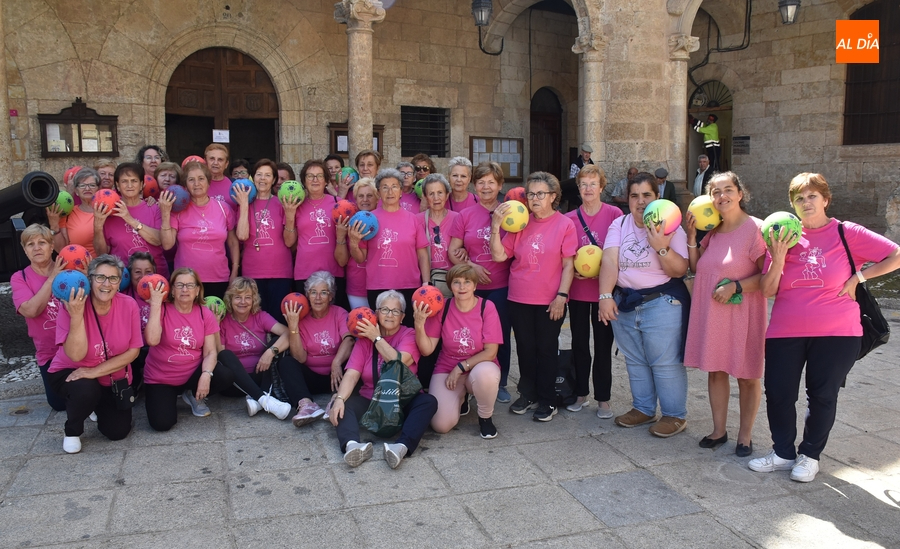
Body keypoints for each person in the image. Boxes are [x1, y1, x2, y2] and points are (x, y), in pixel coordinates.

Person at [749, 173, 900, 482]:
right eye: (799, 198)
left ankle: (810, 455)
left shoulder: (847, 233)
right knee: (778, 392)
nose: (806, 202)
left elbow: (896, 254)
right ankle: (782, 452)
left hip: (837, 331)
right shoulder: (782, 235)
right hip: (785, 330)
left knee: (822, 394)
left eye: (812, 196)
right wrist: (777, 257)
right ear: (792, 204)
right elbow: (767, 290)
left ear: (825, 199)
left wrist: (860, 277)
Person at [598, 172, 691, 438]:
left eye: (646, 195)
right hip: (626, 302)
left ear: (657, 197)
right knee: (635, 361)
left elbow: (679, 270)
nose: (640, 202)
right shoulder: (620, 224)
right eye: (634, 196)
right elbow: (610, 261)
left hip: (662, 302)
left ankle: (674, 415)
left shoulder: (672, 226)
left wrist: (662, 247)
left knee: (665, 362)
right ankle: (643, 408)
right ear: (627, 199)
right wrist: (605, 296)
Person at [684, 172, 766, 457]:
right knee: (716, 371)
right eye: (716, 192)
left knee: (746, 375)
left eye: (728, 190)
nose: (722, 197)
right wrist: (692, 236)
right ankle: (719, 431)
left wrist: (736, 285)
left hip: (742, 313)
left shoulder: (756, 229)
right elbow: (698, 267)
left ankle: (745, 436)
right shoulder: (714, 230)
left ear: (740, 193)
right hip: (712, 314)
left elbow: (768, 278)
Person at [142, 268, 284, 430]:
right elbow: (152, 340)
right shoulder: (162, 309)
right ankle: (172, 398)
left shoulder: (204, 313)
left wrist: (206, 374)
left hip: (192, 373)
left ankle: (195, 395)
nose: (185, 289)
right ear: (172, 289)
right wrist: (155, 305)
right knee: (162, 424)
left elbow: (211, 352)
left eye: (190, 285)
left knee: (223, 374)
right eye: (179, 285)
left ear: (197, 290)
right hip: (161, 379)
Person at [490, 171, 577, 422]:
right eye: (531, 194)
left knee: (547, 350)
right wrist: (496, 227)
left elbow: (569, 265)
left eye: (540, 194)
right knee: (525, 349)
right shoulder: (520, 223)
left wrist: (561, 296)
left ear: (553, 196)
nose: (534, 198)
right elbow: (499, 256)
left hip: (551, 300)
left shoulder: (564, 225)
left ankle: (548, 400)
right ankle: (527, 394)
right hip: (519, 297)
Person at [328, 291, 437, 468]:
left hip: (401, 399)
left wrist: (376, 337)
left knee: (428, 402)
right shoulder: (364, 340)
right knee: (340, 403)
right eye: (385, 309)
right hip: (372, 400)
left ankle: (401, 447)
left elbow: (397, 362)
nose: (389, 315)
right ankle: (353, 446)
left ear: (402, 317)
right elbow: (352, 374)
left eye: (396, 311)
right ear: (376, 313)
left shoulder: (408, 334)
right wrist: (340, 398)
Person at [47, 254, 142, 453]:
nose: (106, 284)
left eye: (113, 278)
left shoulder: (129, 305)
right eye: (100, 277)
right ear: (89, 279)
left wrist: (94, 371)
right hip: (71, 372)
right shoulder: (71, 305)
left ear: (119, 283)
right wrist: (76, 316)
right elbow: (75, 355)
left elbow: (133, 352)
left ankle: (94, 406)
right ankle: (72, 430)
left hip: (108, 376)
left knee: (117, 432)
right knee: (86, 390)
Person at [448, 161, 513, 403]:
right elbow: (453, 250)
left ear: (500, 185)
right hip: (470, 289)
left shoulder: (511, 213)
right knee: (469, 336)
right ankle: (472, 380)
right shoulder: (464, 215)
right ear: (474, 185)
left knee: (499, 337)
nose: (486, 187)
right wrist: (472, 267)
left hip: (502, 286)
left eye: (491, 182)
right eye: (481, 182)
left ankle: (501, 382)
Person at [414, 264, 502, 439]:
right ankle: (460, 398)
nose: (462, 287)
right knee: (440, 425)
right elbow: (426, 350)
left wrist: (460, 367)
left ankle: (485, 418)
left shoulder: (487, 307)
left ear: (475, 286)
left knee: (486, 375)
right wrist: (419, 324)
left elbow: (491, 352)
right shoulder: (443, 308)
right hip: (447, 367)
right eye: (457, 282)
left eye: (467, 282)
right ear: (450, 286)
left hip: (478, 367)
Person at [564, 164, 623, 417]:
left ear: (601, 187)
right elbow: (564, 255)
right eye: (583, 184)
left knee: (602, 345)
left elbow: (621, 251)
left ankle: (603, 398)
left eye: (593, 184)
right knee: (578, 344)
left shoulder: (614, 214)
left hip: (604, 293)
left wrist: (606, 272)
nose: (588, 189)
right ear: (578, 189)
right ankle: (580, 393)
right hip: (577, 291)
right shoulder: (569, 219)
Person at [348, 169, 430, 325]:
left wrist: (425, 284)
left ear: (401, 191)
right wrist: (353, 242)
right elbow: (361, 257)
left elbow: (422, 255)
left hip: (409, 285)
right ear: (379, 192)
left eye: (394, 186)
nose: (390, 191)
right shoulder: (369, 219)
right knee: (381, 332)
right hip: (378, 285)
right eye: (385, 187)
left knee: (407, 331)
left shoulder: (413, 219)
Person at [277, 271, 355, 426]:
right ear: (307, 295)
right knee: (286, 363)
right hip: (311, 378)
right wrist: (293, 326)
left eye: (323, 293)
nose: (318, 298)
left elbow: (349, 339)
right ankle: (307, 405)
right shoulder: (302, 319)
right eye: (313, 293)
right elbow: (300, 358)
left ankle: (336, 401)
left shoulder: (339, 313)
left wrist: (336, 362)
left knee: (356, 364)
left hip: (338, 376)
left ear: (331, 296)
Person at [159, 161, 239, 298]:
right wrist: (166, 213)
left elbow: (232, 242)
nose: (197, 183)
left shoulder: (223, 208)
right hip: (185, 282)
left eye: (201, 178)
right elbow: (167, 244)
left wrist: (235, 272)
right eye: (191, 180)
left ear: (208, 182)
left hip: (218, 278)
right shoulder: (178, 211)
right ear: (185, 185)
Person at [11, 224, 69, 411]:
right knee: (59, 404)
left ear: (52, 246)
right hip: (49, 352)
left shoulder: (68, 269)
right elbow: (31, 310)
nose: (36, 248)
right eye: (30, 244)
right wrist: (52, 278)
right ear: (25, 250)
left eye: (42, 242)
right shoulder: (20, 278)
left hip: (77, 347)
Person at [218, 277, 294, 420]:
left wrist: (270, 352)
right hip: (234, 384)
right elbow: (218, 354)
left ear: (254, 300)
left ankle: (258, 399)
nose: (243, 302)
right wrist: (215, 326)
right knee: (225, 354)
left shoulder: (260, 316)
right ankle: (264, 399)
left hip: (260, 376)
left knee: (277, 342)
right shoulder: (223, 321)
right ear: (230, 299)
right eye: (238, 297)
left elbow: (289, 334)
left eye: (248, 297)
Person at [235, 158, 293, 321]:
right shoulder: (244, 204)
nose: (263, 178)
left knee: (277, 318)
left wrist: (289, 216)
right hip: (253, 271)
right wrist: (245, 205)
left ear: (274, 179)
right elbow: (242, 235)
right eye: (259, 174)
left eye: (267, 175)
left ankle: (276, 347)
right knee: (256, 318)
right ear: (253, 177)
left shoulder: (281, 203)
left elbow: (289, 241)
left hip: (280, 271)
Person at [284, 159, 347, 308]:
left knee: (333, 316)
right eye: (310, 176)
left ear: (326, 180)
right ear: (304, 181)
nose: (315, 180)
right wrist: (290, 215)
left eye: (319, 176)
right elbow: (288, 242)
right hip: (304, 271)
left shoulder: (338, 203)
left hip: (333, 271)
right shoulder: (296, 205)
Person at [94, 162, 169, 279]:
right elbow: (102, 253)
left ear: (142, 185)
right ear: (118, 186)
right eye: (124, 181)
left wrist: (129, 219)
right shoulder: (110, 212)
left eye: (134, 181)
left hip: (155, 276)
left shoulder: (154, 208)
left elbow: (159, 240)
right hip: (122, 277)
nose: (130, 185)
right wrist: (98, 227)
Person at [336, 178, 378, 309]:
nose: (365, 199)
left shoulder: (384, 219)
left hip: (381, 284)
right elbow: (342, 261)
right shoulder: (347, 221)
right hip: (357, 286)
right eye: (361, 196)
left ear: (377, 198)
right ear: (355, 199)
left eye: (369, 195)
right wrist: (341, 236)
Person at [56, 167, 103, 254]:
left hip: (99, 265)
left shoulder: (105, 211)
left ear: (98, 189)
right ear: (76, 190)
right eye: (82, 185)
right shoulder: (69, 213)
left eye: (92, 185)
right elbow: (61, 249)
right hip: (75, 264)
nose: (87, 189)